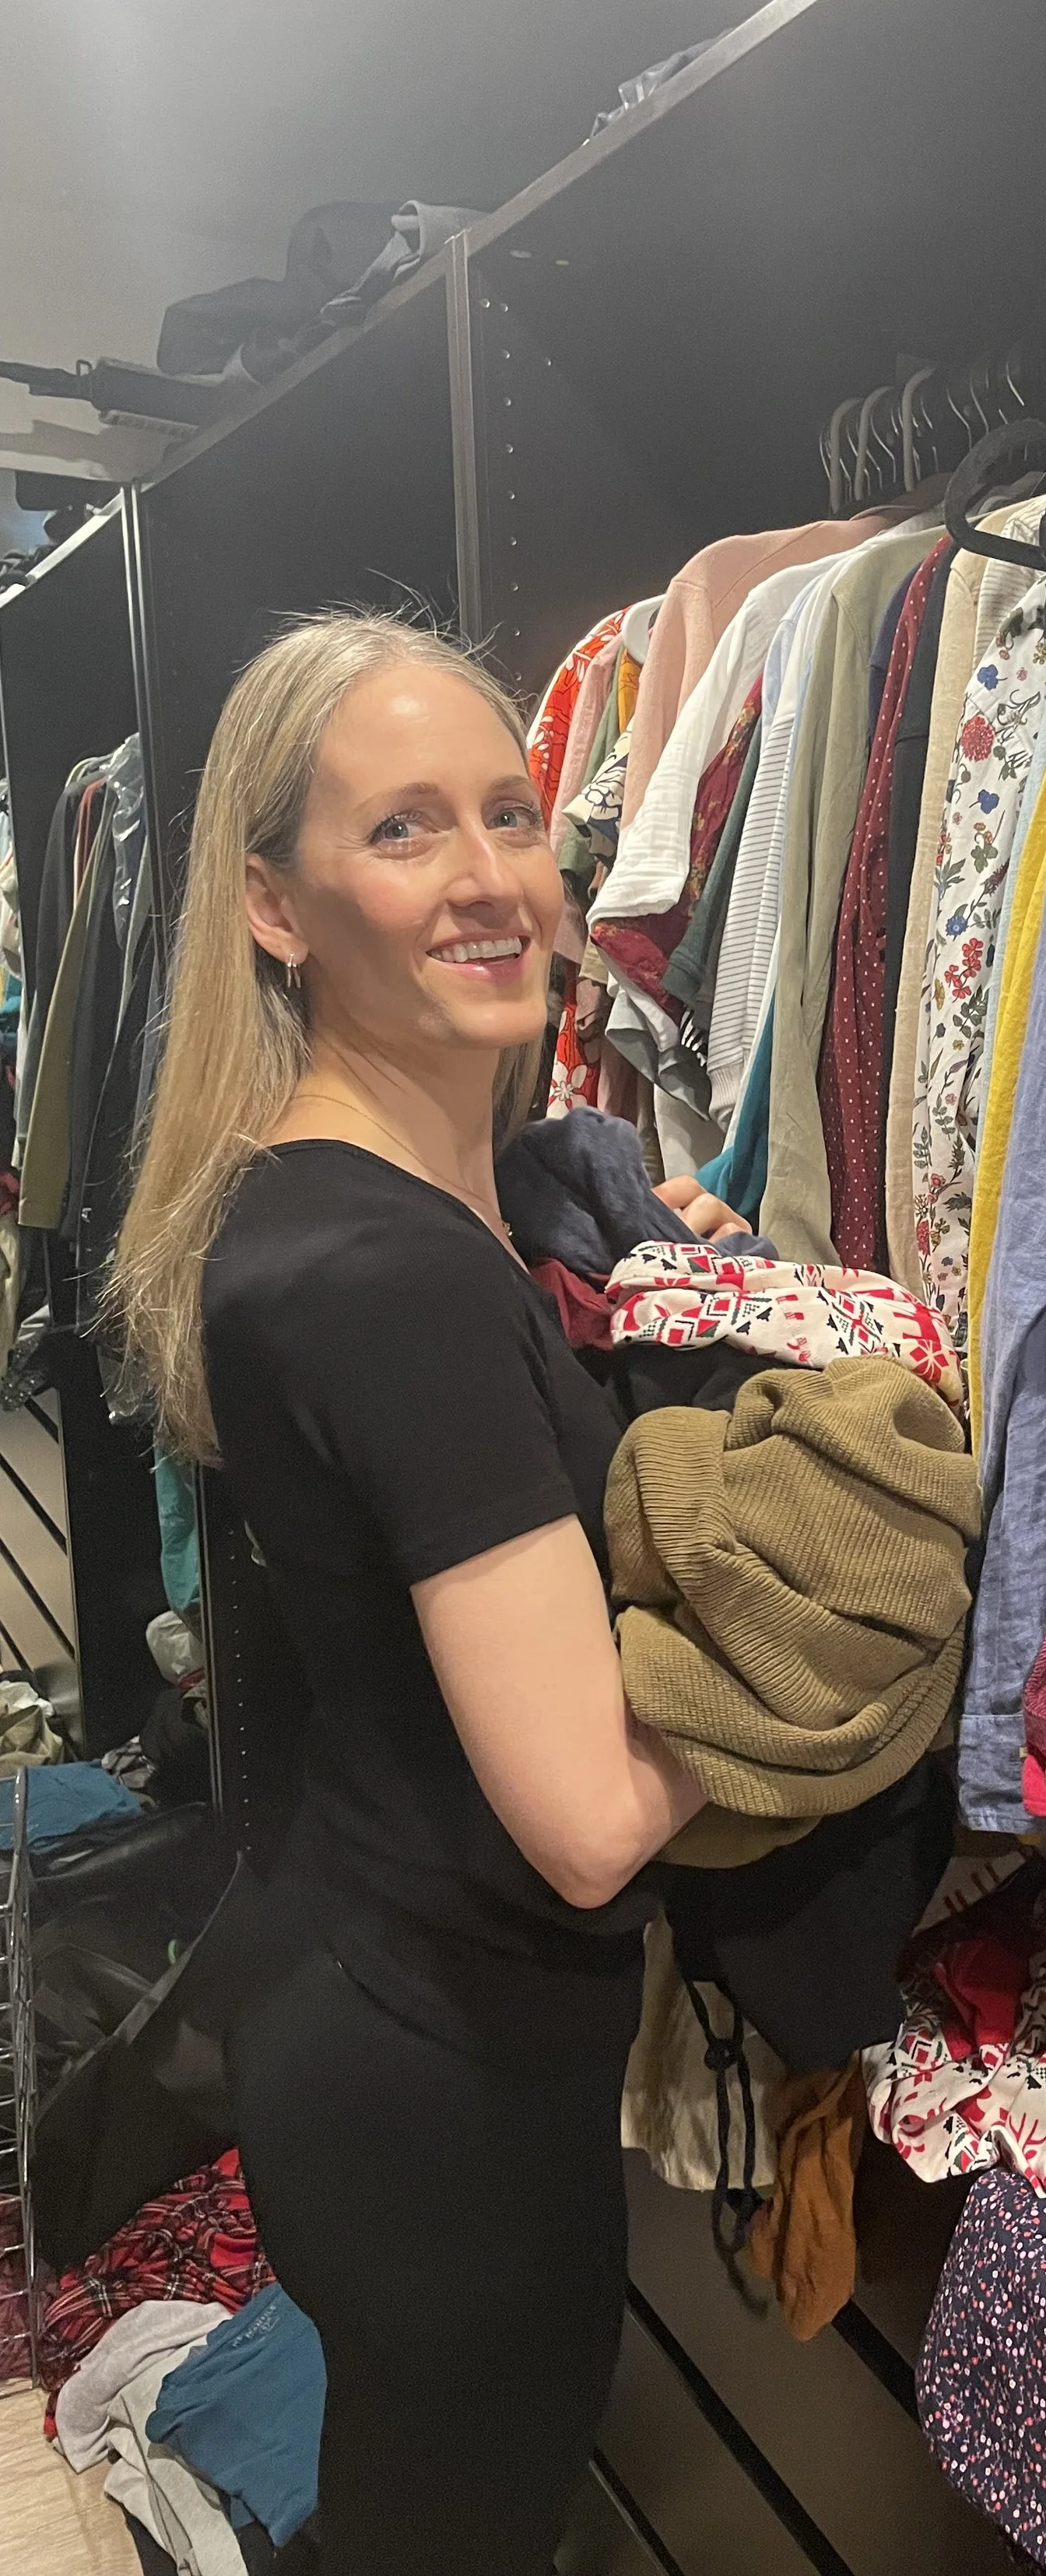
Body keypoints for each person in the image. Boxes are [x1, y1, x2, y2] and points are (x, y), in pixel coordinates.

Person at [111, 613, 711, 2575]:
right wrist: (855, 1652)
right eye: (402, 831)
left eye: (513, 813)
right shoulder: (400, 1283)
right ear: (274, 905)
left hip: (364, 2012)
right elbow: (592, 1815)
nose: (488, 879)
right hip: (444, 2082)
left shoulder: (385, 1202)